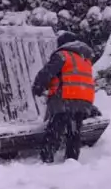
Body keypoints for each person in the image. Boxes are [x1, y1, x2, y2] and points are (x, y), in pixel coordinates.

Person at [31, 30, 99, 164]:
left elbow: (47, 73)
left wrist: (38, 87)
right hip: (84, 100)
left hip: (65, 98)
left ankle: (47, 158)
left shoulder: (63, 55)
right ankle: (72, 160)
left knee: (55, 129)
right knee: (74, 132)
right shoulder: (84, 60)